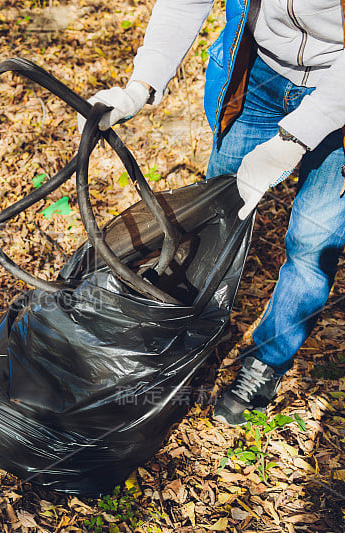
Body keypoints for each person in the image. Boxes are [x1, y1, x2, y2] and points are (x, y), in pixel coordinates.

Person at [83, 0, 345, 426]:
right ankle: (180, 339)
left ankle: (268, 361)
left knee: (313, 243)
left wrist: (296, 137)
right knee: (212, 222)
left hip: (340, 94)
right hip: (259, 74)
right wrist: (140, 86)